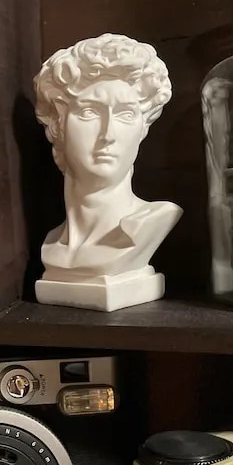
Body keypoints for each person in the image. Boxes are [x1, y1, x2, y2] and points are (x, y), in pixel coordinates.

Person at [32, 33, 181, 310]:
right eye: (89, 112)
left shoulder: (150, 223)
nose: (108, 134)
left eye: (126, 115)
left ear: (143, 128)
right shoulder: (51, 245)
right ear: (59, 125)